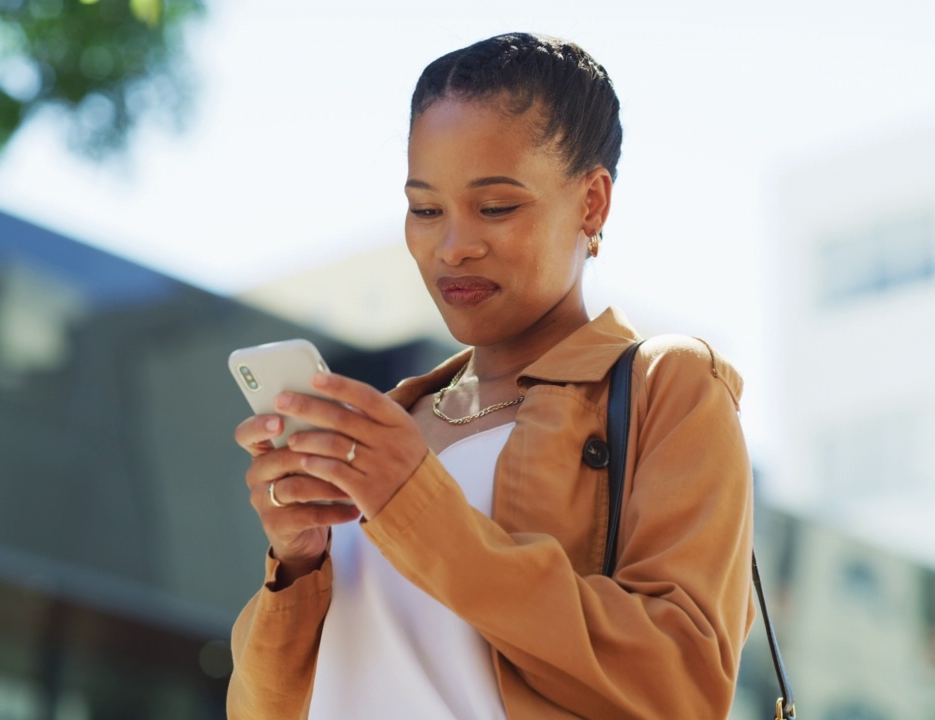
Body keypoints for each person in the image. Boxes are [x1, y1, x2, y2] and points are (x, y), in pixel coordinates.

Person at [227, 32, 754, 719]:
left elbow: (679, 687)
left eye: (496, 207)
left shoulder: (669, 387)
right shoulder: (388, 428)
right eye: (425, 209)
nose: (454, 246)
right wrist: (296, 564)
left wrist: (415, 507)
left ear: (592, 203)